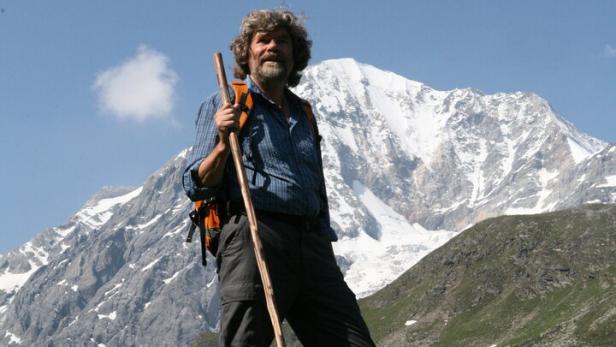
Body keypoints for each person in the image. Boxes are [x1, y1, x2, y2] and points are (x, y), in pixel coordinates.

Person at [183, 8, 376, 347]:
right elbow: (195, 181)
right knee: (247, 340)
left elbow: (317, 188)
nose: (273, 47)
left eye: (283, 41)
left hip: (311, 242)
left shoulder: (304, 114)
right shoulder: (226, 102)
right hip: (255, 234)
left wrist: (322, 239)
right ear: (247, 52)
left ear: (294, 54)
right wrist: (222, 141)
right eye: (263, 40)